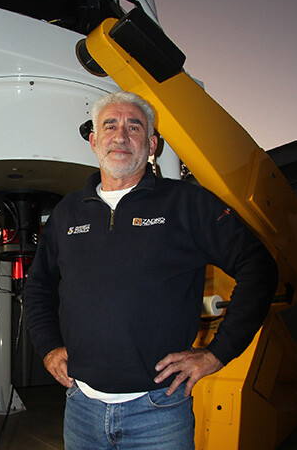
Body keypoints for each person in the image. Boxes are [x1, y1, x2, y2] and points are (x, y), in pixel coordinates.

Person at [23, 91, 278, 449]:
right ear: (94, 141)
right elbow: (39, 287)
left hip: (158, 414)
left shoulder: (186, 203)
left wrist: (217, 352)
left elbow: (259, 266)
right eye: (109, 126)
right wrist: (49, 346)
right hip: (81, 409)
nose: (121, 135)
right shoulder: (68, 212)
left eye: (134, 126)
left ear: (152, 144)